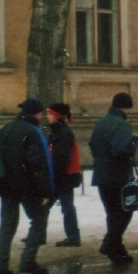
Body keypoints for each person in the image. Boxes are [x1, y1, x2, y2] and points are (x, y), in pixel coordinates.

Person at [0, 98, 55, 274]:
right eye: (41, 114)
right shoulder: (33, 132)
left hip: (7, 186)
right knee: (39, 219)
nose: (42, 117)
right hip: (27, 187)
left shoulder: (8, 128)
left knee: (7, 227)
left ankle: (0, 268)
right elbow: (39, 165)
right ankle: (28, 261)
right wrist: (46, 191)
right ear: (35, 114)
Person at [89, 92, 138, 265]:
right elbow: (120, 149)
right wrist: (133, 145)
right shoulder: (122, 124)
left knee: (112, 213)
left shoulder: (101, 122)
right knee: (125, 211)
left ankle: (117, 251)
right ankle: (110, 243)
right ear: (126, 107)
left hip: (101, 175)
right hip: (118, 176)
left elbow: (92, 145)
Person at [47, 102, 82, 248]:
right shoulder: (57, 131)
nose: (47, 116)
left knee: (66, 206)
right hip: (62, 176)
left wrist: (53, 176)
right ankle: (37, 233)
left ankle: (73, 236)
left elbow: (60, 158)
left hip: (63, 176)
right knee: (51, 206)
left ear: (57, 116)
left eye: (50, 114)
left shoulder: (62, 133)